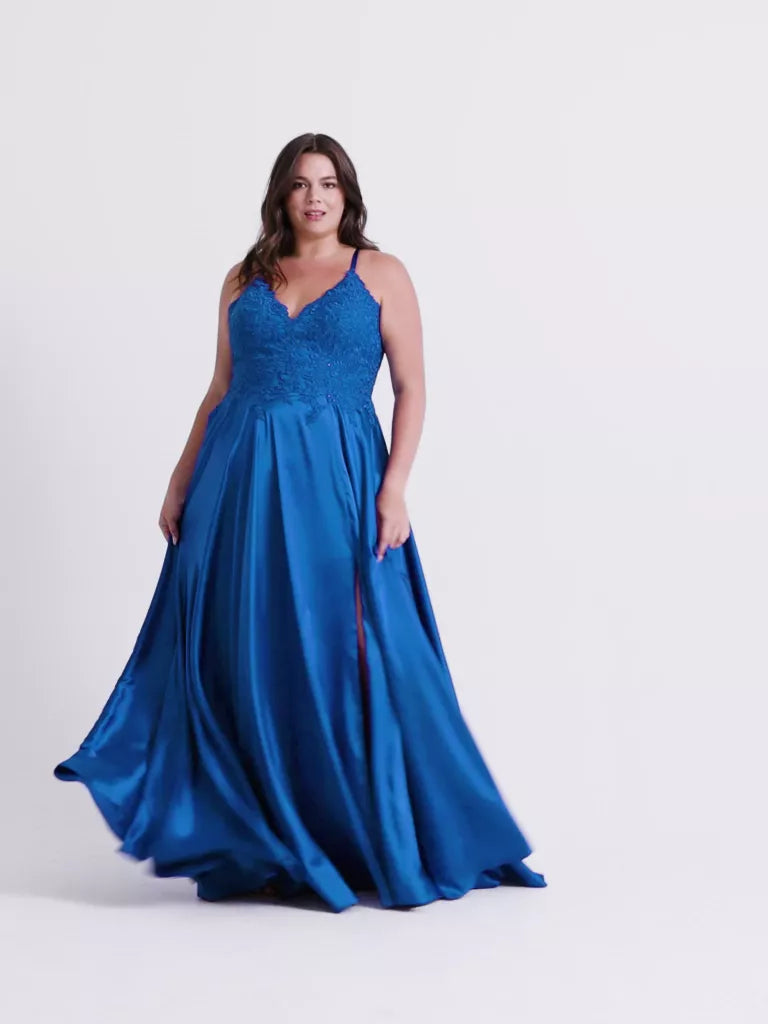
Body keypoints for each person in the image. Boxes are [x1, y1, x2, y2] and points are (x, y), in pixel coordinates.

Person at [53, 133, 547, 912]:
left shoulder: (381, 273)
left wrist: (395, 488)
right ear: (281, 195)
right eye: (299, 184)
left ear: (347, 195)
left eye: (328, 184)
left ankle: (375, 830)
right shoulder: (243, 277)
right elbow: (220, 388)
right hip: (238, 482)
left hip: (338, 481)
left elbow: (412, 388)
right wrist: (181, 479)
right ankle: (265, 836)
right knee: (249, 646)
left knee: (354, 646)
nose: (314, 197)